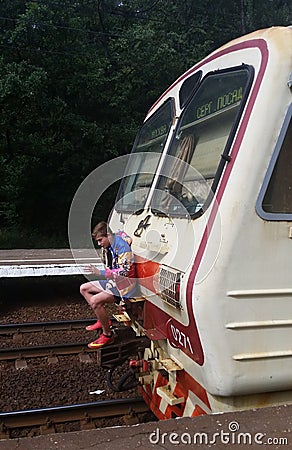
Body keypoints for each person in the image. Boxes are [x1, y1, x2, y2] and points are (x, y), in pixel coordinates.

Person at [80, 221, 136, 349]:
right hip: (114, 282)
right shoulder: (112, 240)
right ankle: (103, 320)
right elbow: (121, 232)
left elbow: (124, 271)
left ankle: (108, 335)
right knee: (83, 288)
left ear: (108, 236)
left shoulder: (122, 248)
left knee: (95, 301)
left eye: (100, 240)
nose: (99, 244)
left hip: (124, 287)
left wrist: (100, 272)